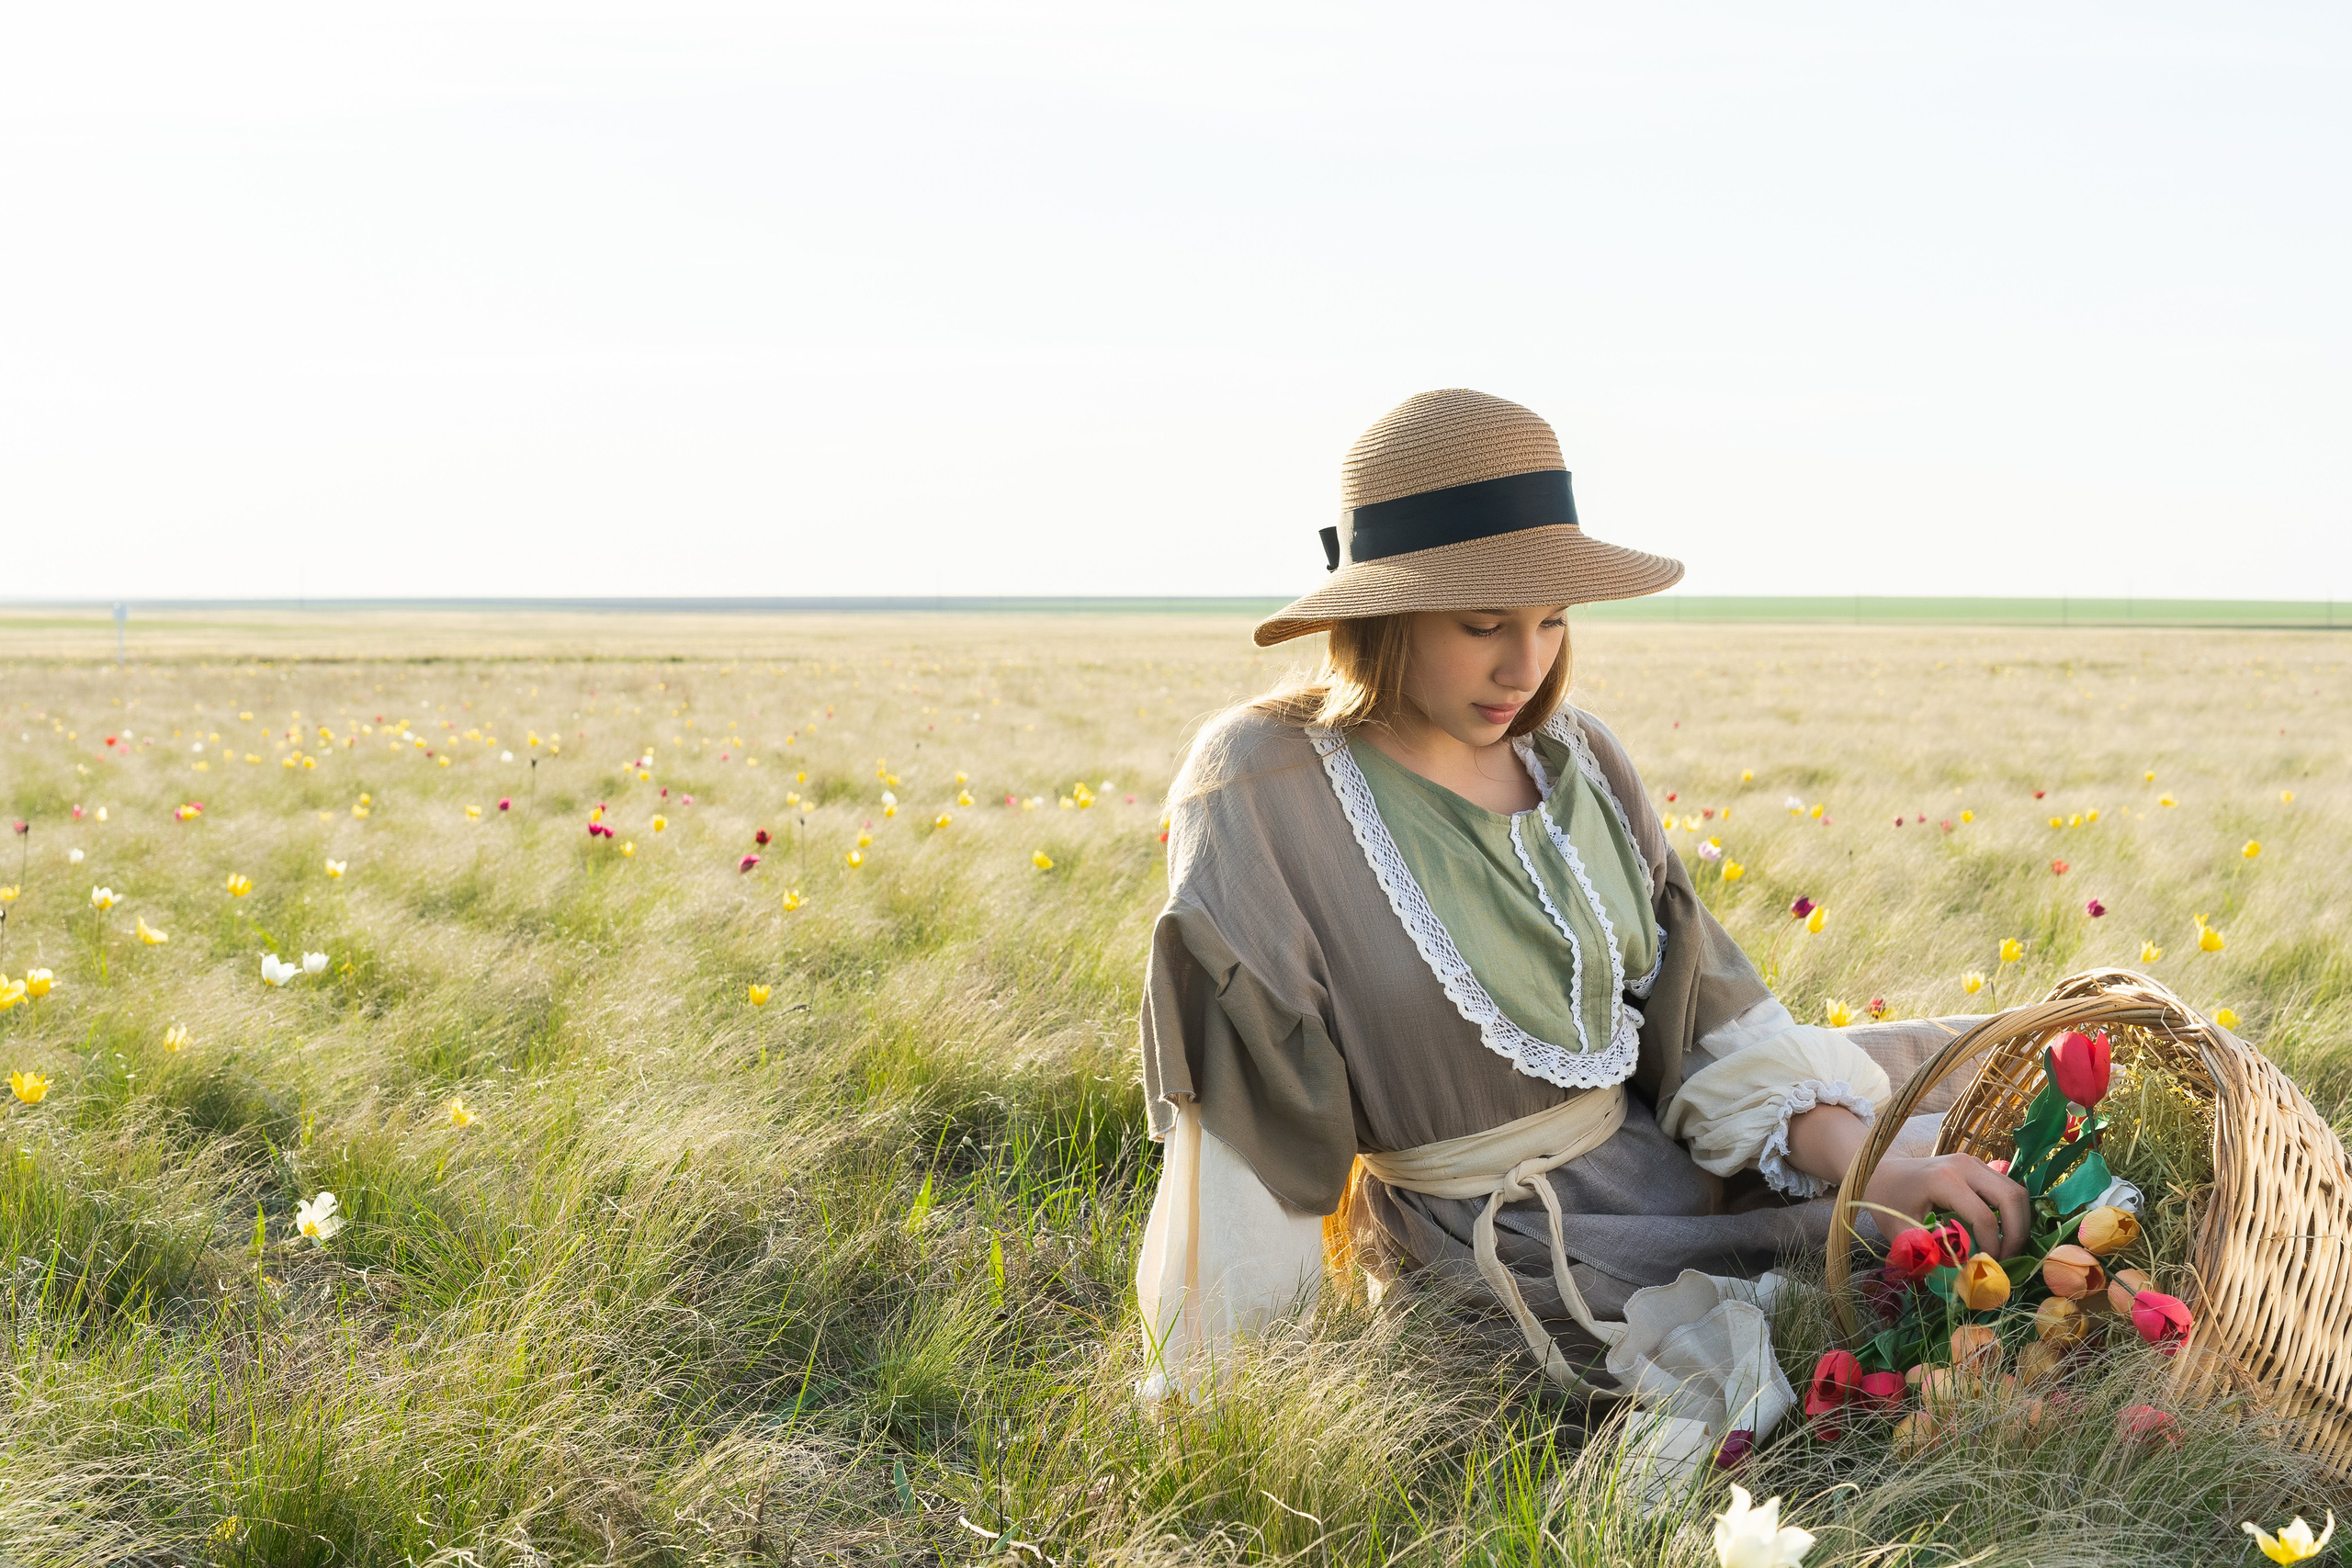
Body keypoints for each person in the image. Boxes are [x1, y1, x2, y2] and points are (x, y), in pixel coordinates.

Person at [1134, 389, 2023, 1478]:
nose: (1525, 666)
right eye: (1481, 626)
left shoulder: (1579, 758)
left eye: (1551, 619)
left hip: (1664, 1145)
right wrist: (1227, 1401)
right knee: (1881, 1293)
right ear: (1381, 612)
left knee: (1996, 1068)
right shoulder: (1262, 783)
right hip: (1521, 1249)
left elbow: (1700, 1012)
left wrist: (1863, 1169)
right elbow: (1243, 1121)